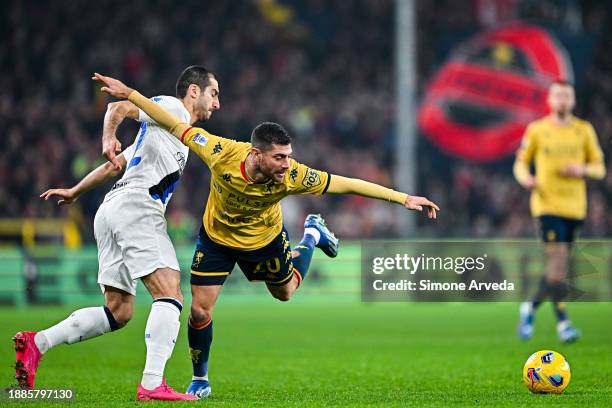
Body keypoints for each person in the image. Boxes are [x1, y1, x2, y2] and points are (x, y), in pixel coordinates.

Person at [93, 72, 440, 399]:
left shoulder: (294, 176)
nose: (287, 165)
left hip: (264, 240)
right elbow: (171, 122)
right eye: (280, 158)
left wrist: (403, 198)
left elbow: (347, 183)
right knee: (198, 311)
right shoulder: (220, 151)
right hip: (217, 238)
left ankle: (311, 237)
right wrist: (130, 95)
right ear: (256, 154)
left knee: (286, 293)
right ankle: (200, 379)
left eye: (289, 157)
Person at [13, 66, 220, 401]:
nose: (217, 103)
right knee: (170, 294)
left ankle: (37, 343)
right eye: (214, 93)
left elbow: (114, 166)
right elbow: (118, 106)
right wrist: (108, 136)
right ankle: (152, 384)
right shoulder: (171, 108)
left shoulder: (168, 131)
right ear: (194, 91)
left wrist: (75, 191)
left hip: (111, 210)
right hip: (138, 208)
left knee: (119, 310)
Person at [514, 80, 605, 343]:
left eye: (567, 95)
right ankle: (564, 324)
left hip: (575, 208)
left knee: (559, 268)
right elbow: (520, 163)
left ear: (573, 100)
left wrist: (582, 170)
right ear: (550, 100)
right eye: (558, 96)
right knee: (557, 262)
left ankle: (529, 308)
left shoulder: (583, 130)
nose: (562, 100)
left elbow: (599, 168)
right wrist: (525, 179)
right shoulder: (537, 130)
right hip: (546, 205)